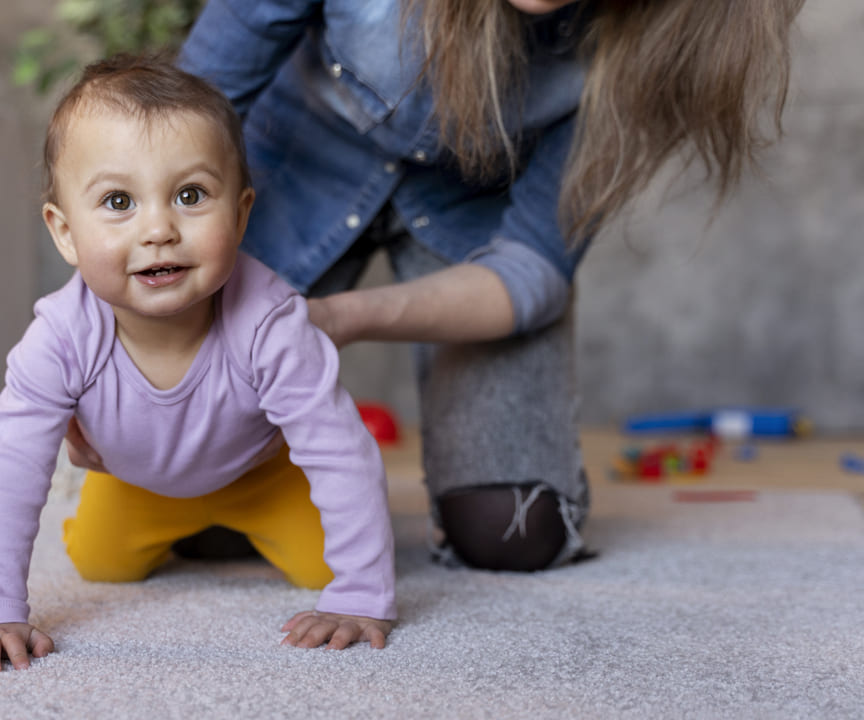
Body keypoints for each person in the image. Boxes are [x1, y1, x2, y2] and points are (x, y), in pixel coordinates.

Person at [67, 0, 803, 572]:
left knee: (515, 530)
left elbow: (534, 266)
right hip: (282, 176)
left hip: (471, 226)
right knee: (205, 514)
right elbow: (178, 126)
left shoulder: (656, 41)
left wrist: (340, 318)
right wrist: (98, 341)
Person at [0, 55, 396, 674]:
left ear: (241, 212)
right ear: (64, 233)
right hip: (138, 483)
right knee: (100, 562)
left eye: (190, 195)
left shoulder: (271, 324)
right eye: (119, 200)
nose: (159, 229)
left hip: (262, 477)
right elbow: (10, 466)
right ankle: (196, 529)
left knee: (323, 567)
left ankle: (234, 525)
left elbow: (340, 449)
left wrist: (362, 591)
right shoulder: (61, 337)